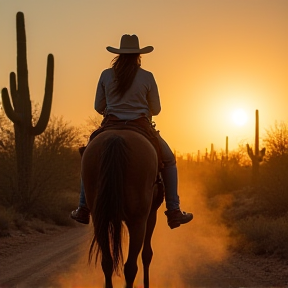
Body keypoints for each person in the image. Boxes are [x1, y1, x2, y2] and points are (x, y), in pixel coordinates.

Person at [71, 34, 193, 229]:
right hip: (140, 125)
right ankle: (173, 210)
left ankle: (83, 207)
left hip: (110, 123)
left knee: (88, 155)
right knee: (169, 160)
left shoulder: (106, 75)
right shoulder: (147, 76)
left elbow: (97, 105)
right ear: (139, 55)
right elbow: (157, 109)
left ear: (118, 55)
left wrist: (114, 107)